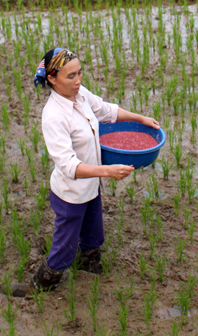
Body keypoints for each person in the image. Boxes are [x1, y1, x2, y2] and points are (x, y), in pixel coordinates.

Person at [31, 48, 160, 291]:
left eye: (80, 73)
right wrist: (107, 171)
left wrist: (140, 118)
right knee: (64, 246)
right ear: (52, 78)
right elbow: (68, 165)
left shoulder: (79, 95)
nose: (78, 81)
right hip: (71, 193)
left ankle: (90, 264)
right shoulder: (54, 116)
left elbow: (106, 110)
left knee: (93, 231)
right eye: (70, 76)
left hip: (91, 185)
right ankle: (43, 283)